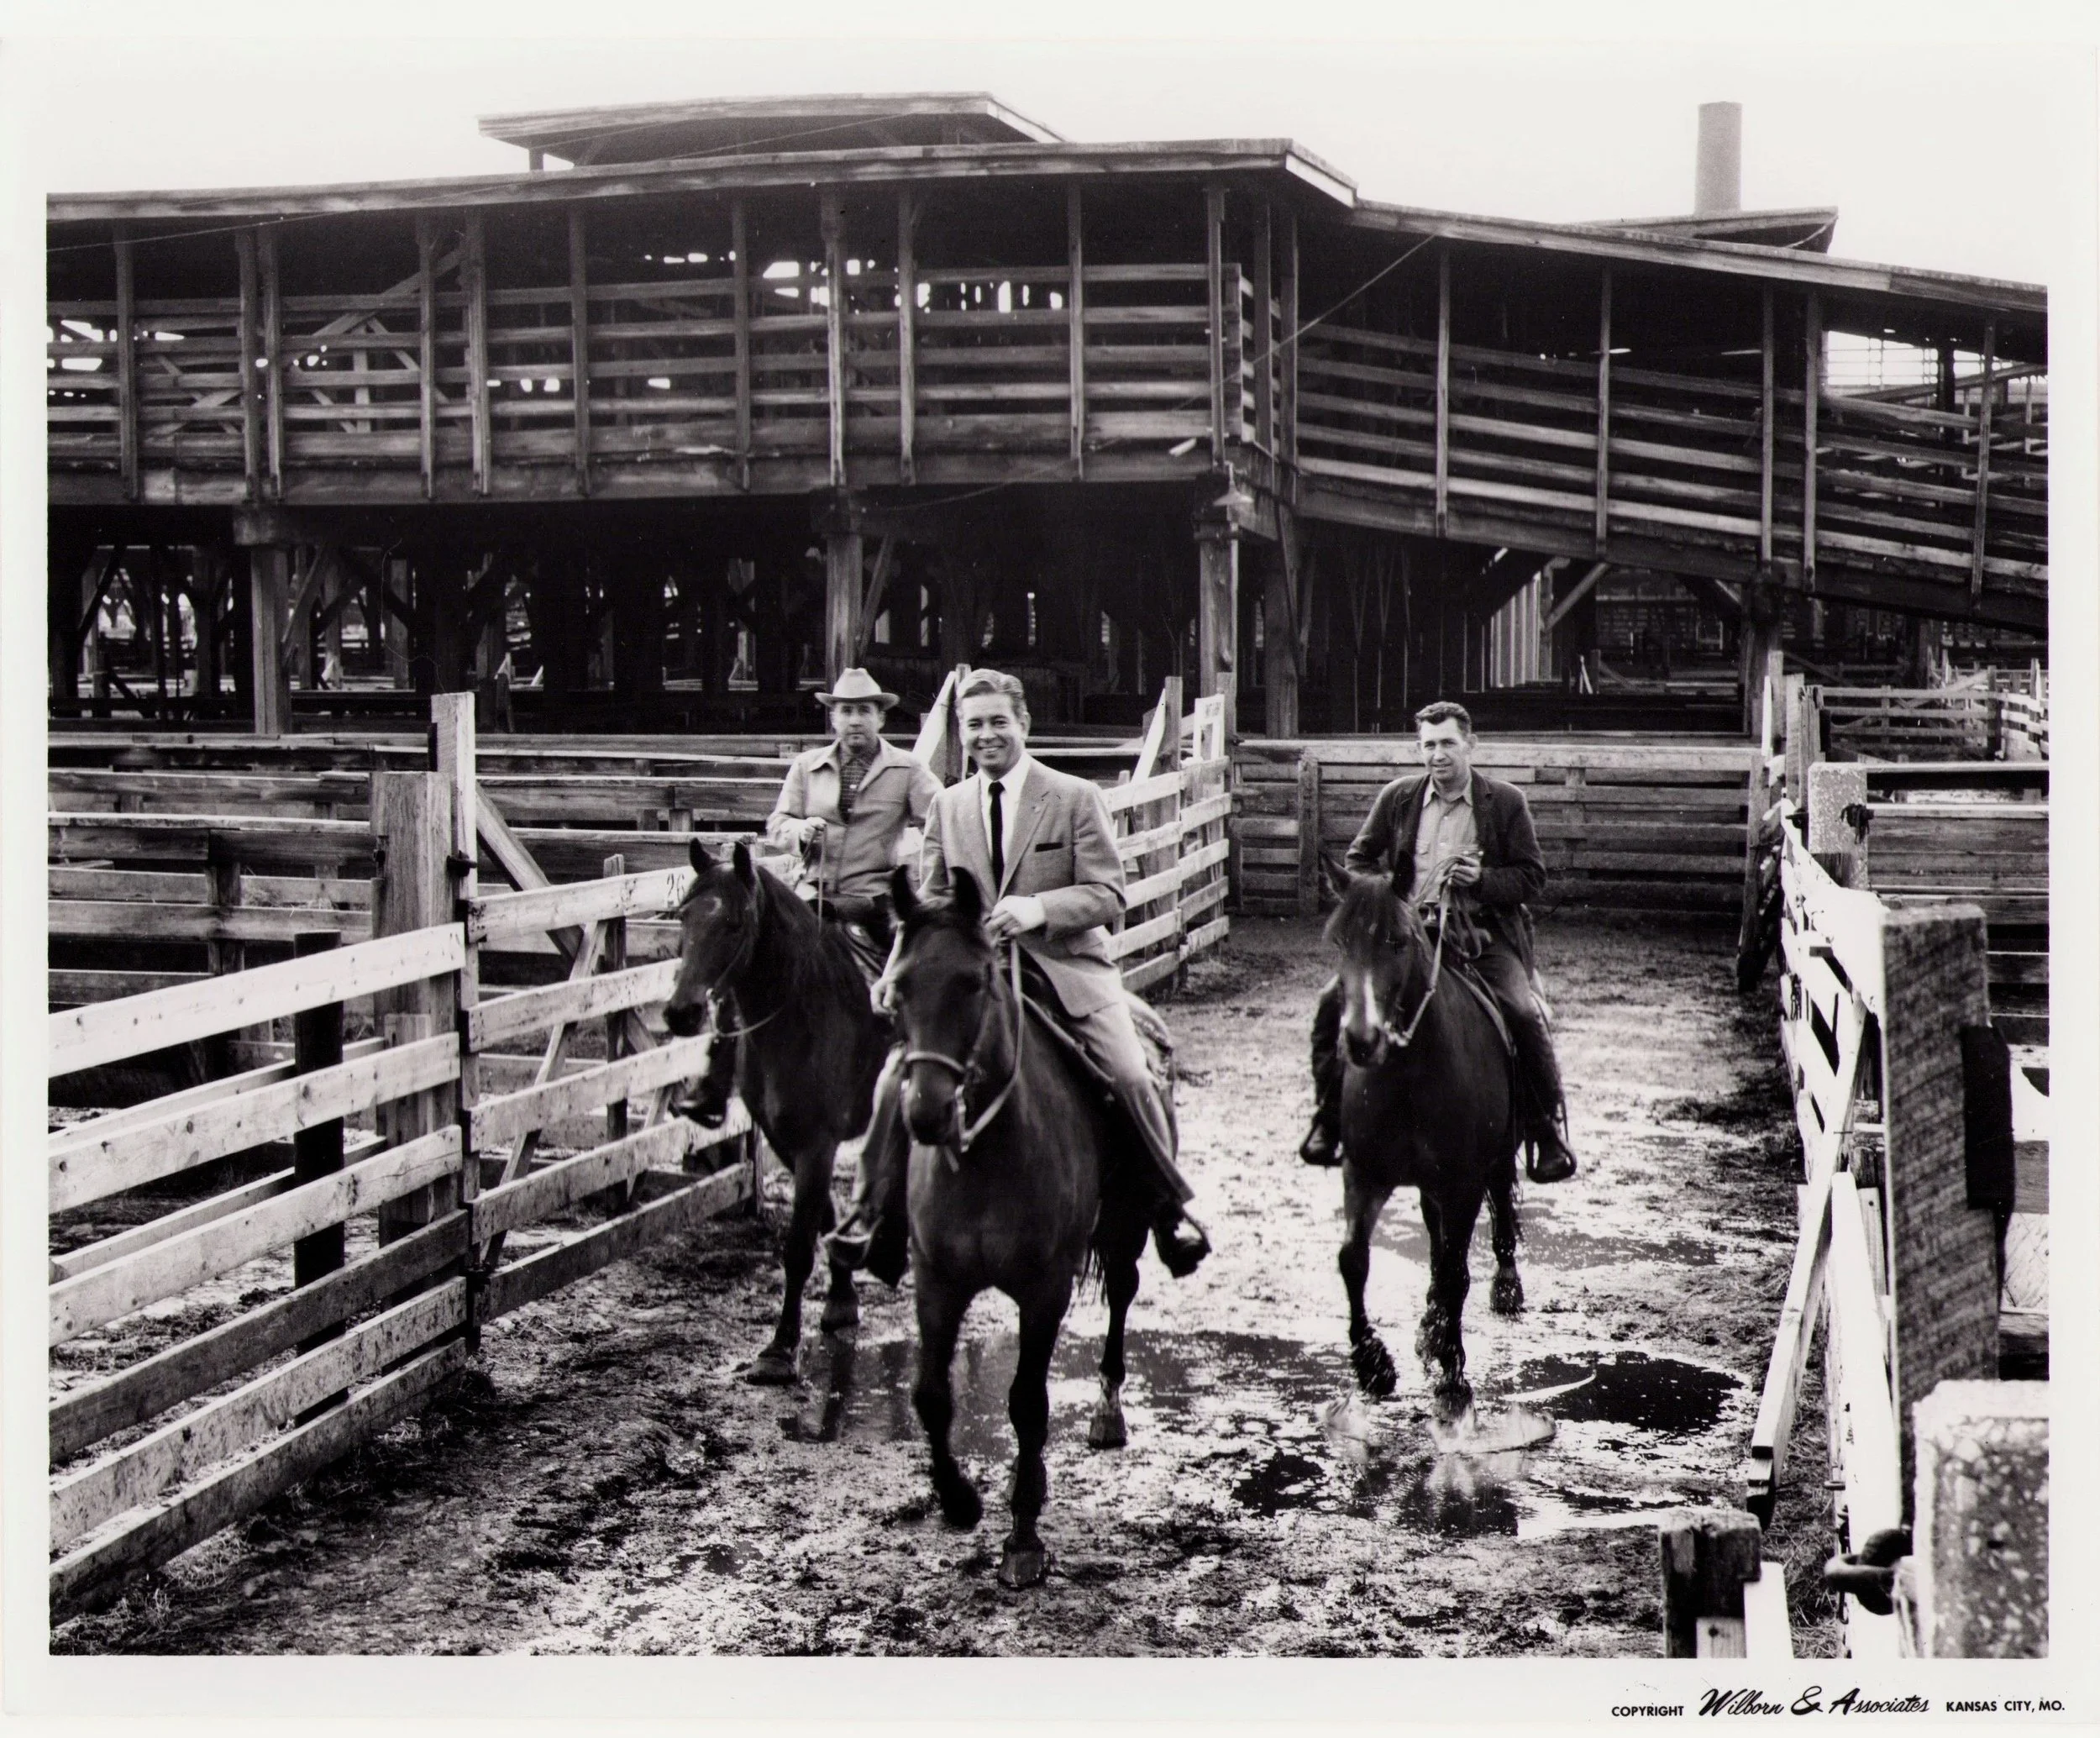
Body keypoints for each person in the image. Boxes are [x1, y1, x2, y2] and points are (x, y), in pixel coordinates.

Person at [826, 668, 1212, 1282]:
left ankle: (1167, 1207)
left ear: (1023, 724)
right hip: (972, 980)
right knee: (898, 1075)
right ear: (961, 732)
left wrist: (1039, 909)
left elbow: (1108, 892)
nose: (986, 735)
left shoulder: (1073, 796)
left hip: (1065, 970)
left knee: (1131, 1074)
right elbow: (928, 906)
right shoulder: (948, 806)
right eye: (974, 725)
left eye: (998, 722)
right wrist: (898, 968)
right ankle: (868, 1213)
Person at [1299, 700, 1578, 1184]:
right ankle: (1329, 1118)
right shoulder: (1398, 798)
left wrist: (1482, 879)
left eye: (1448, 743)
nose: (1438, 755)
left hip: (1481, 937)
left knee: (1522, 1010)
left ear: (1471, 745)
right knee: (1331, 1004)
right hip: (1407, 937)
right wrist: (1388, 895)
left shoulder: (1505, 802)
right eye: (1428, 745)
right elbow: (1358, 860)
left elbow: (1532, 876)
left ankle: (1544, 1128)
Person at [680, 667, 940, 1126]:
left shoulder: (907, 770)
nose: (854, 720)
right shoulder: (807, 766)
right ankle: (714, 1083)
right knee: (749, 967)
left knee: (904, 983)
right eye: (845, 711)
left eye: (864, 711)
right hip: (809, 899)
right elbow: (777, 823)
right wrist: (799, 831)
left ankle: (914, 1085)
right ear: (833, 718)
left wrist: (919, 872)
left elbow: (941, 820)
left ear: (880, 717)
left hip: (872, 901)